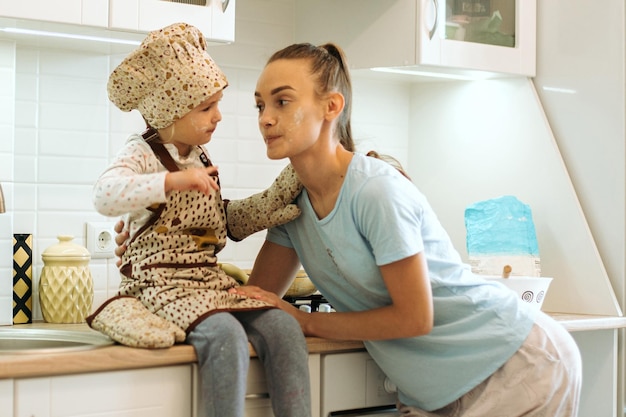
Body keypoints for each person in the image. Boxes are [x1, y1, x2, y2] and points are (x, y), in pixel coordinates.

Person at [228, 42, 583, 416]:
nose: (265, 118)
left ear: (331, 106)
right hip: (438, 391)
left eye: (282, 102)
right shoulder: (291, 207)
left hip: (516, 364)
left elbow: (414, 317)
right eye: (260, 105)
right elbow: (259, 297)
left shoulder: (374, 190)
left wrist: (308, 321)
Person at [88, 23, 311, 417]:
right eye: (206, 107)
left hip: (206, 282)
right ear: (171, 109)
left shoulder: (199, 156)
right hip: (158, 285)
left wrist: (270, 202)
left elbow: (220, 225)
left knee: (284, 328)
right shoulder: (142, 153)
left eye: (217, 104)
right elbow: (104, 195)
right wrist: (172, 181)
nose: (218, 116)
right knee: (223, 333)